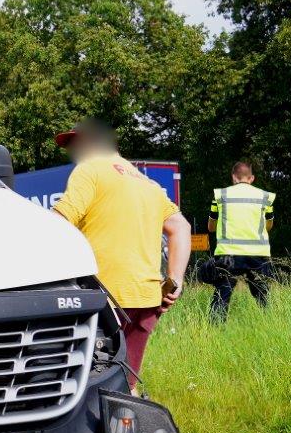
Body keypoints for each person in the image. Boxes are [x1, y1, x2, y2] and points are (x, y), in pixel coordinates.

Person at [50, 119, 191, 390]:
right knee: (126, 382)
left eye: (74, 145)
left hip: (104, 300)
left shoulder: (89, 169)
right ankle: (129, 429)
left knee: (89, 385)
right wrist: (174, 280)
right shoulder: (146, 182)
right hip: (146, 299)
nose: (72, 153)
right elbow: (180, 227)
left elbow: (59, 223)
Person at [203, 161, 277, 320]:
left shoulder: (221, 195)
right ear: (251, 178)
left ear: (233, 177)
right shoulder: (265, 197)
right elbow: (269, 225)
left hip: (227, 254)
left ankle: (215, 330)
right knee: (263, 296)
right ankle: (270, 324)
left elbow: (210, 227)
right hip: (258, 254)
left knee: (222, 294)